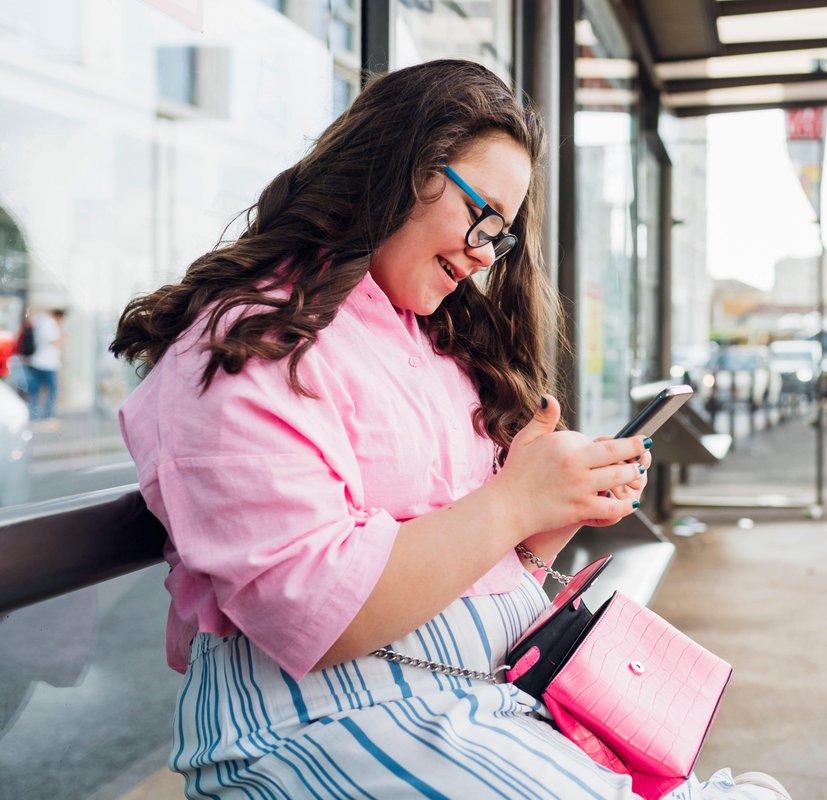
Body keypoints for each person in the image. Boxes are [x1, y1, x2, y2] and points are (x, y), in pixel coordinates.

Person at [112, 59, 789, 800]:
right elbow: (311, 612)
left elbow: (467, 557)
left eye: (501, 234)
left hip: (468, 696)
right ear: (397, 168)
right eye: (481, 213)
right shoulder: (252, 338)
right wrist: (514, 502)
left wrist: (548, 515)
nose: (482, 251)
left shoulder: (430, 340)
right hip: (333, 718)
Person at [26, 308, 65, 427]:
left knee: (35, 390)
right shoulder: (50, 324)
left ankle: (33, 416)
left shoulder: (39, 321)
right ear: (59, 317)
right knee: (52, 390)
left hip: (35, 361)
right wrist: (63, 337)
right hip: (48, 363)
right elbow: (52, 341)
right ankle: (48, 416)